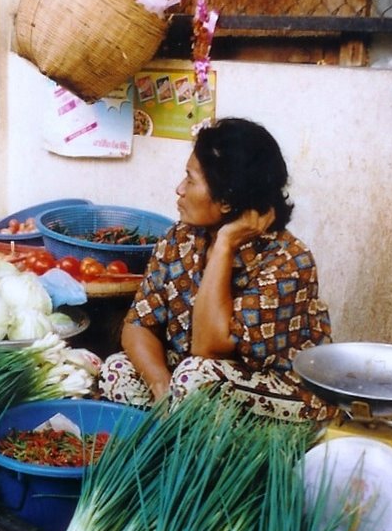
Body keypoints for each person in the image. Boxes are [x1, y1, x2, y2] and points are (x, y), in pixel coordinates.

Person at [98, 118, 336, 422]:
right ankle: (166, 448)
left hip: (282, 394)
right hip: (198, 382)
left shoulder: (288, 261)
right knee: (117, 371)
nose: (179, 189)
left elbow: (207, 348)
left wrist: (225, 244)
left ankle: (214, 458)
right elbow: (138, 325)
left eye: (191, 180)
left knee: (195, 377)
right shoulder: (180, 238)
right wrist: (161, 386)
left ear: (226, 201)